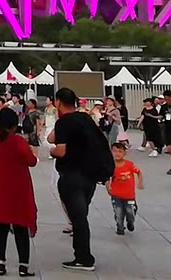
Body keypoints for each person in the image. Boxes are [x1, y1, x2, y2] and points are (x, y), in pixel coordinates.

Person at [49, 87, 107, 272]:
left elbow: (60, 150)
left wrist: (52, 151)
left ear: (58, 102)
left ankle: (84, 258)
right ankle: (83, 255)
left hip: (72, 175)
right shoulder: (85, 118)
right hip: (89, 176)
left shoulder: (64, 122)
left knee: (78, 218)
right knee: (81, 215)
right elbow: (52, 137)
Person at [0, 106, 37, 278]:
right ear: (14, 124)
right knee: (20, 226)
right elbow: (32, 161)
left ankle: (0, 263)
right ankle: (23, 266)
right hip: (18, 187)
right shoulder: (18, 141)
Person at [108, 142, 143, 234]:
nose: (117, 154)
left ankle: (130, 222)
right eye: (115, 151)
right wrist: (108, 187)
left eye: (120, 151)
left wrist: (140, 183)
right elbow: (107, 177)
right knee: (118, 212)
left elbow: (139, 172)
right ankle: (120, 227)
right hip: (116, 194)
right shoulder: (110, 165)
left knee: (130, 212)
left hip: (129, 195)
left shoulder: (129, 165)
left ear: (124, 153)